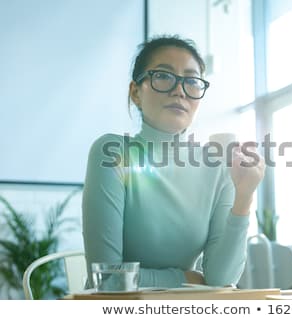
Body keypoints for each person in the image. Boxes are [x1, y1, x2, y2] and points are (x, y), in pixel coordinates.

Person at [82, 35, 265, 288]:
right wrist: (184, 278)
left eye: (191, 81)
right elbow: (106, 279)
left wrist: (244, 197)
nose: (179, 90)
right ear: (136, 92)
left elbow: (221, 280)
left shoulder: (218, 167)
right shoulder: (112, 152)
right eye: (164, 76)